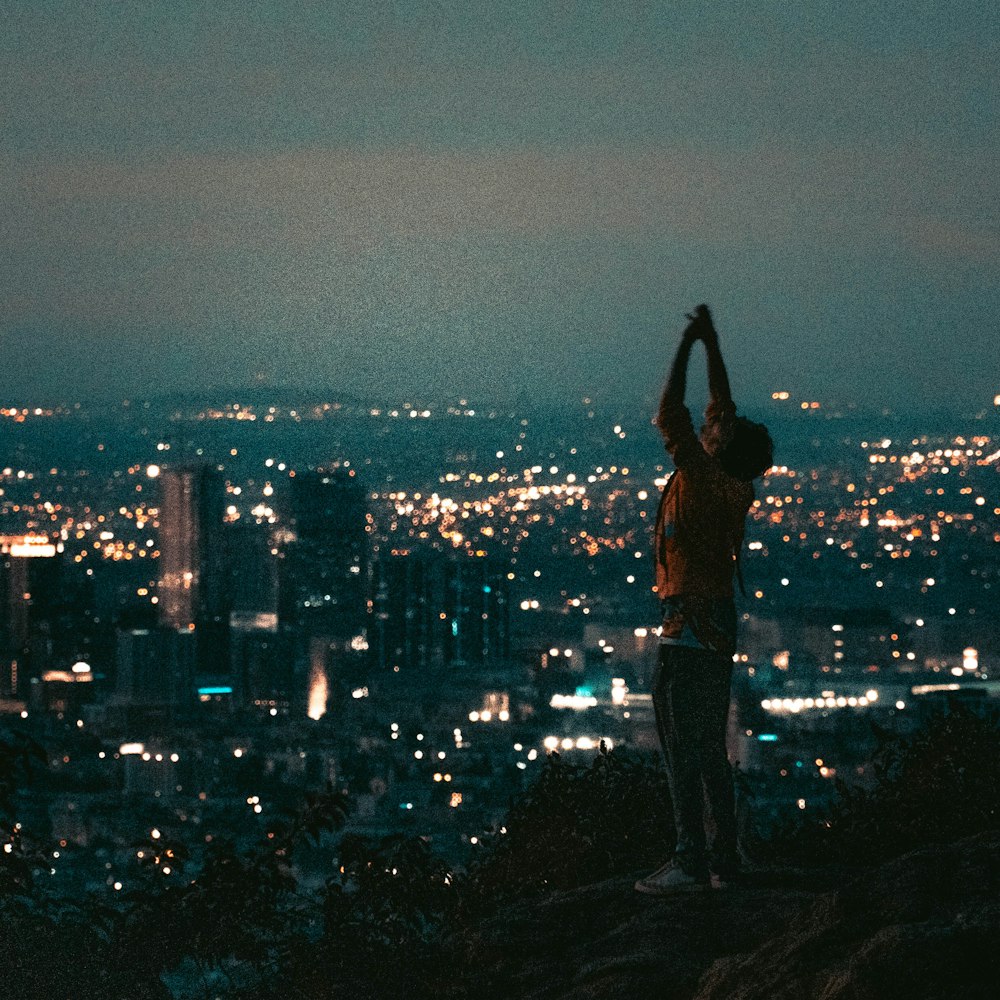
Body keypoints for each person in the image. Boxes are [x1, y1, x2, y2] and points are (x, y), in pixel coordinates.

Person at [635, 304, 773, 896]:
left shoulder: (704, 478)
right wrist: (711, 344)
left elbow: (669, 415)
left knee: (678, 741)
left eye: (717, 430)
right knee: (708, 743)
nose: (713, 424)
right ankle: (724, 855)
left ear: (719, 447)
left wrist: (687, 345)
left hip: (688, 623)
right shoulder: (732, 483)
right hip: (714, 623)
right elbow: (722, 407)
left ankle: (691, 858)